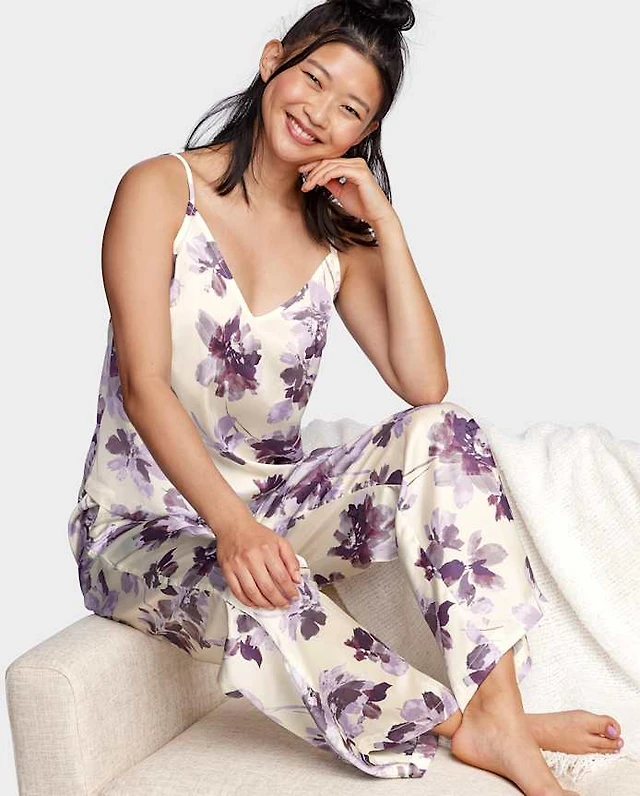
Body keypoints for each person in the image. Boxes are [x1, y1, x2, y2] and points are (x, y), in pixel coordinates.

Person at [67, 0, 623, 789]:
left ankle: (499, 714)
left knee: (445, 429)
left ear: (365, 132)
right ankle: (464, 725)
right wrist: (233, 529)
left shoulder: (336, 241)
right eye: (313, 79)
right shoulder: (159, 189)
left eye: (350, 108)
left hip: (273, 507)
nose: (319, 113)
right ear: (272, 62)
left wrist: (385, 224)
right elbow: (143, 384)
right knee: (259, 586)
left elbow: (425, 384)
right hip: (142, 530)